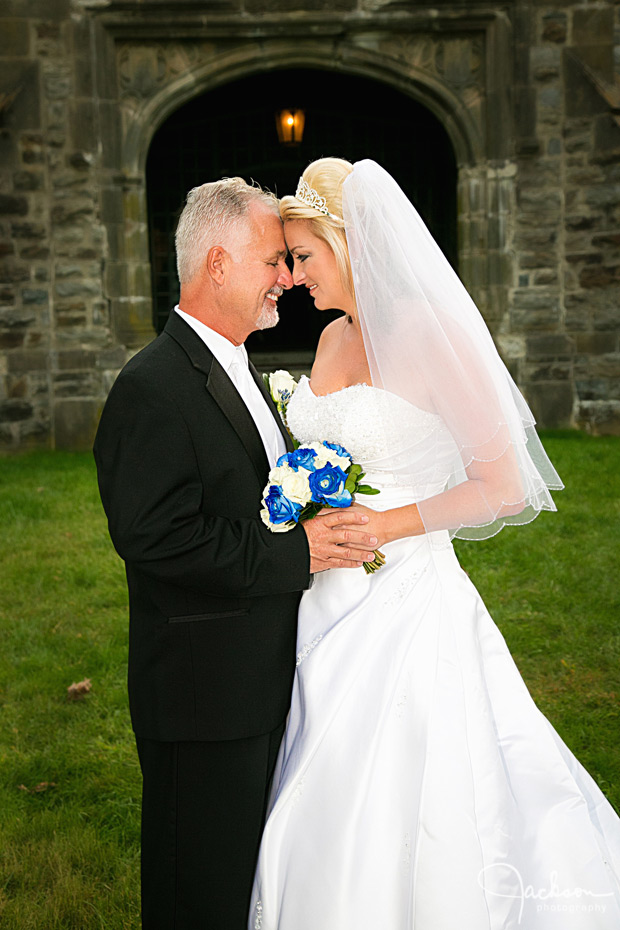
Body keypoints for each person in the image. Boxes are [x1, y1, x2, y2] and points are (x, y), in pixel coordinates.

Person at [249, 159, 620, 929]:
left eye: (303, 256)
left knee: (407, 779)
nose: (294, 275)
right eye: (288, 260)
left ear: (347, 243)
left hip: (408, 599)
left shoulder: (429, 334)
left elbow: (504, 483)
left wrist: (386, 525)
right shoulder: (327, 340)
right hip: (322, 595)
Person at [93, 177, 380, 930]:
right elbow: (156, 536)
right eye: (270, 263)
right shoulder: (152, 387)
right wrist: (299, 555)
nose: (285, 279)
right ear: (217, 264)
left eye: (289, 263)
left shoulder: (237, 365)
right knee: (199, 895)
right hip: (201, 696)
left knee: (240, 886)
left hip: (253, 681)